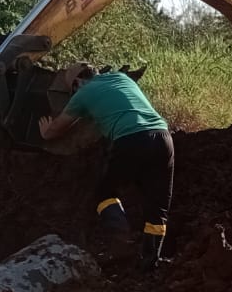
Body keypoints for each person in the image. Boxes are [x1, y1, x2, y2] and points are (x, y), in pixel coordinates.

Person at [39, 69, 174, 271]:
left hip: (131, 139)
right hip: (163, 139)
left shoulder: (83, 93)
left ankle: (121, 241)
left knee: (104, 193)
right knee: (157, 207)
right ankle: (149, 263)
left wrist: (45, 132)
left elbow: (55, 129)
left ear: (77, 82)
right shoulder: (121, 78)